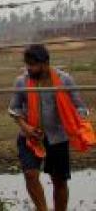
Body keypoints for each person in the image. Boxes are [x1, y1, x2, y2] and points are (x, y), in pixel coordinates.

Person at [9, 44, 92, 211]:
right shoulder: (22, 81)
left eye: (33, 65)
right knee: (30, 174)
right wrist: (26, 128)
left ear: (45, 63)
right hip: (30, 137)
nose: (29, 68)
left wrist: (72, 120)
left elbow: (81, 108)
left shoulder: (64, 80)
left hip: (58, 138)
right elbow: (14, 109)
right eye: (27, 64)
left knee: (59, 181)